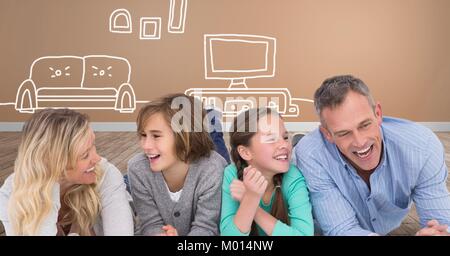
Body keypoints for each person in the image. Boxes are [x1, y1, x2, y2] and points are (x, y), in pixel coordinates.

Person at [294, 75, 450, 236]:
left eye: (365, 125)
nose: (360, 142)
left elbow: (441, 223)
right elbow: (341, 229)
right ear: (327, 134)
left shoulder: (422, 147)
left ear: (378, 113)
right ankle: (296, 141)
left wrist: (437, 233)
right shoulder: (312, 154)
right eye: (344, 133)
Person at [0, 108, 134, 235]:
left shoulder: (106, 175)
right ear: (54, 163)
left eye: (93, 144)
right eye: (85, 155)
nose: (97, 158)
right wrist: (48, 188)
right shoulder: (11, 195)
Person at [127, 93, 227, 236]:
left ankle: (211, 118)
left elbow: (206, 227)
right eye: (143, 135)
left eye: (156, 136)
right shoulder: (137, 168)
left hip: (205, 158)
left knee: (218, 147)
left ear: (184, 137)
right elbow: (150, 223)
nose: (145, 145)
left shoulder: (213, 169)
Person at [220, 107, 313, 236]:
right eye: (271, 139)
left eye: (285, 137)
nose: (284, 145)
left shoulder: (293, 177)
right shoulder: (232, 175)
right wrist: (251, 198)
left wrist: (251, 203)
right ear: (245, 152)